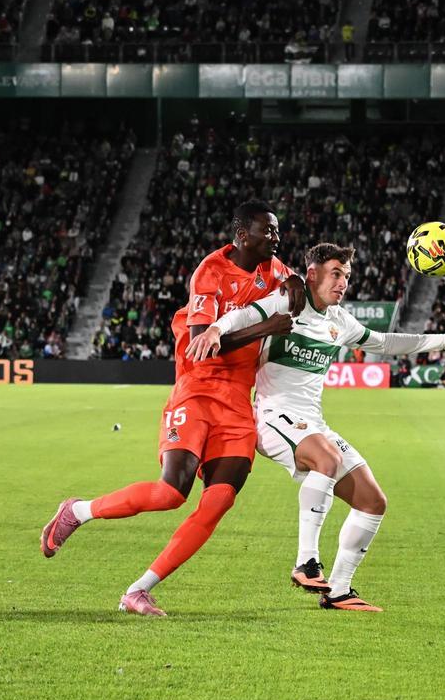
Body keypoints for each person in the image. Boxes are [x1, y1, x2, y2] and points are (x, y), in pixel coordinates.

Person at [40, 201, 304, 616]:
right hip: (197, 390)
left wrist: (299, 285)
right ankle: (78, 511)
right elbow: (203, 341)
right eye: (266, 231)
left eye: (276, 231)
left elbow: (296, 285)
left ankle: (139, 590)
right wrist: (267, 326)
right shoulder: (211, 272)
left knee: (218, 501)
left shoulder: (274, 269)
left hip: (238, 402)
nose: (274, 238)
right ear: (241, 234)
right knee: (170, 493)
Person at [185, 243, 445, 611]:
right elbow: (242, 316)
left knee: (373, 502)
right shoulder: (286, 301)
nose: (343, 283)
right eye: (336, 273)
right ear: (312, 274)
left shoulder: (340, 320)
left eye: (347, 276)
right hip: (273, 416)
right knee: (327, 458)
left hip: (311, 422)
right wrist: (213, 329)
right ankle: (306, 561)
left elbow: (384, 343)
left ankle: (339, 590)